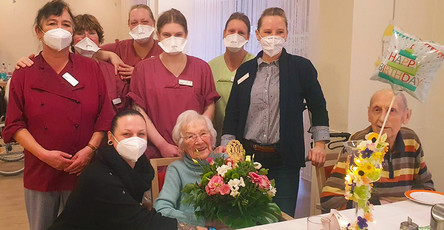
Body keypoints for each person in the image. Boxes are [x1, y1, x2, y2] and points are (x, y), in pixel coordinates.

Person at [1, 1, 114, 229]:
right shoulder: (25, 73)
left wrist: (90, 150)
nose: (60, 29)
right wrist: (44, 155)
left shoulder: (90, 68)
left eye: (66, 24)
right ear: (38, 31)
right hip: (41, 172)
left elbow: (105, 115)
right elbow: (14, 124)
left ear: (72, 32)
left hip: (83, 168)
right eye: (52, 23)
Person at [221, 7, 329, 216]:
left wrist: (320, 144)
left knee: (282, 217)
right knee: (249, 215)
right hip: (248, 158)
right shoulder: (245, 70)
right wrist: (227, 145)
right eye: (268, 32)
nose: (273, 37)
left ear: (287, 34)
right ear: (258, 35)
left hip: (285, 160)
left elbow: (318, 106)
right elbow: (232, 111)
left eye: (279, 32)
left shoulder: (301, 68)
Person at [48, 110, 177, 230]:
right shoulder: (99, 176)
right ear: (110, 137)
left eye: (141, 134)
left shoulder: (142, 168)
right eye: (126, 134)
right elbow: (140, 222)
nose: (135, 140)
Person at [320, 89, 434, 212]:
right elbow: (329, 199)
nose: (382, 118)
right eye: (377, 109)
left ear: (406, 116)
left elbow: (426, 188)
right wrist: (377, 204)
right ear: (369, 114)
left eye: (391, 110)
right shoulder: (358, 145)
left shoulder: (411, 141)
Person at [129, 8, 219, 160]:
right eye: (166, 35)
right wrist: (162, 144)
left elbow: (209, 105)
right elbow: (139, 110)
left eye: (178, 35)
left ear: (186, 34)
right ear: (157, 35)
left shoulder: (201, 67)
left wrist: (196, 140)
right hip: (157, 152)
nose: (172, 39)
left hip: (196, 152)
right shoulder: (143, 69)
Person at [15, 14, 128, 112]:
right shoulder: (59, 70)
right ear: (70, 40)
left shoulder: (113, 72)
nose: (86, 38)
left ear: (99, 39)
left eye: (92, 33)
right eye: (80, 33)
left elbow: (126, 110)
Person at [154, 110, 226, 229]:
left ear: (212, 137)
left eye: (203, 133)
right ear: (182, 145)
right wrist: (203, 221)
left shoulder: (227, 161)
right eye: (190, 136)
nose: (199, 141)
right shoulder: (177, 169)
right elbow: (161, 209)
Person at [208, 12, 255, 145]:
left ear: (248, 37)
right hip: (217, 141)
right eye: (231, 31)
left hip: (248, 141)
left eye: (241, 33)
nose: (235, 36)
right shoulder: (210, 67)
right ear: (224, 33)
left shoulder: (255, 65)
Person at [99, 4, 163, 79]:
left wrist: (140, 74)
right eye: (134, 23)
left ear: (154, 23)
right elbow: (89, 53)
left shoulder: (163, 49)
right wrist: (110, 55)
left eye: (145, 22)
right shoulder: (121, 48)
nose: (140, 27)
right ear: (129, 25)